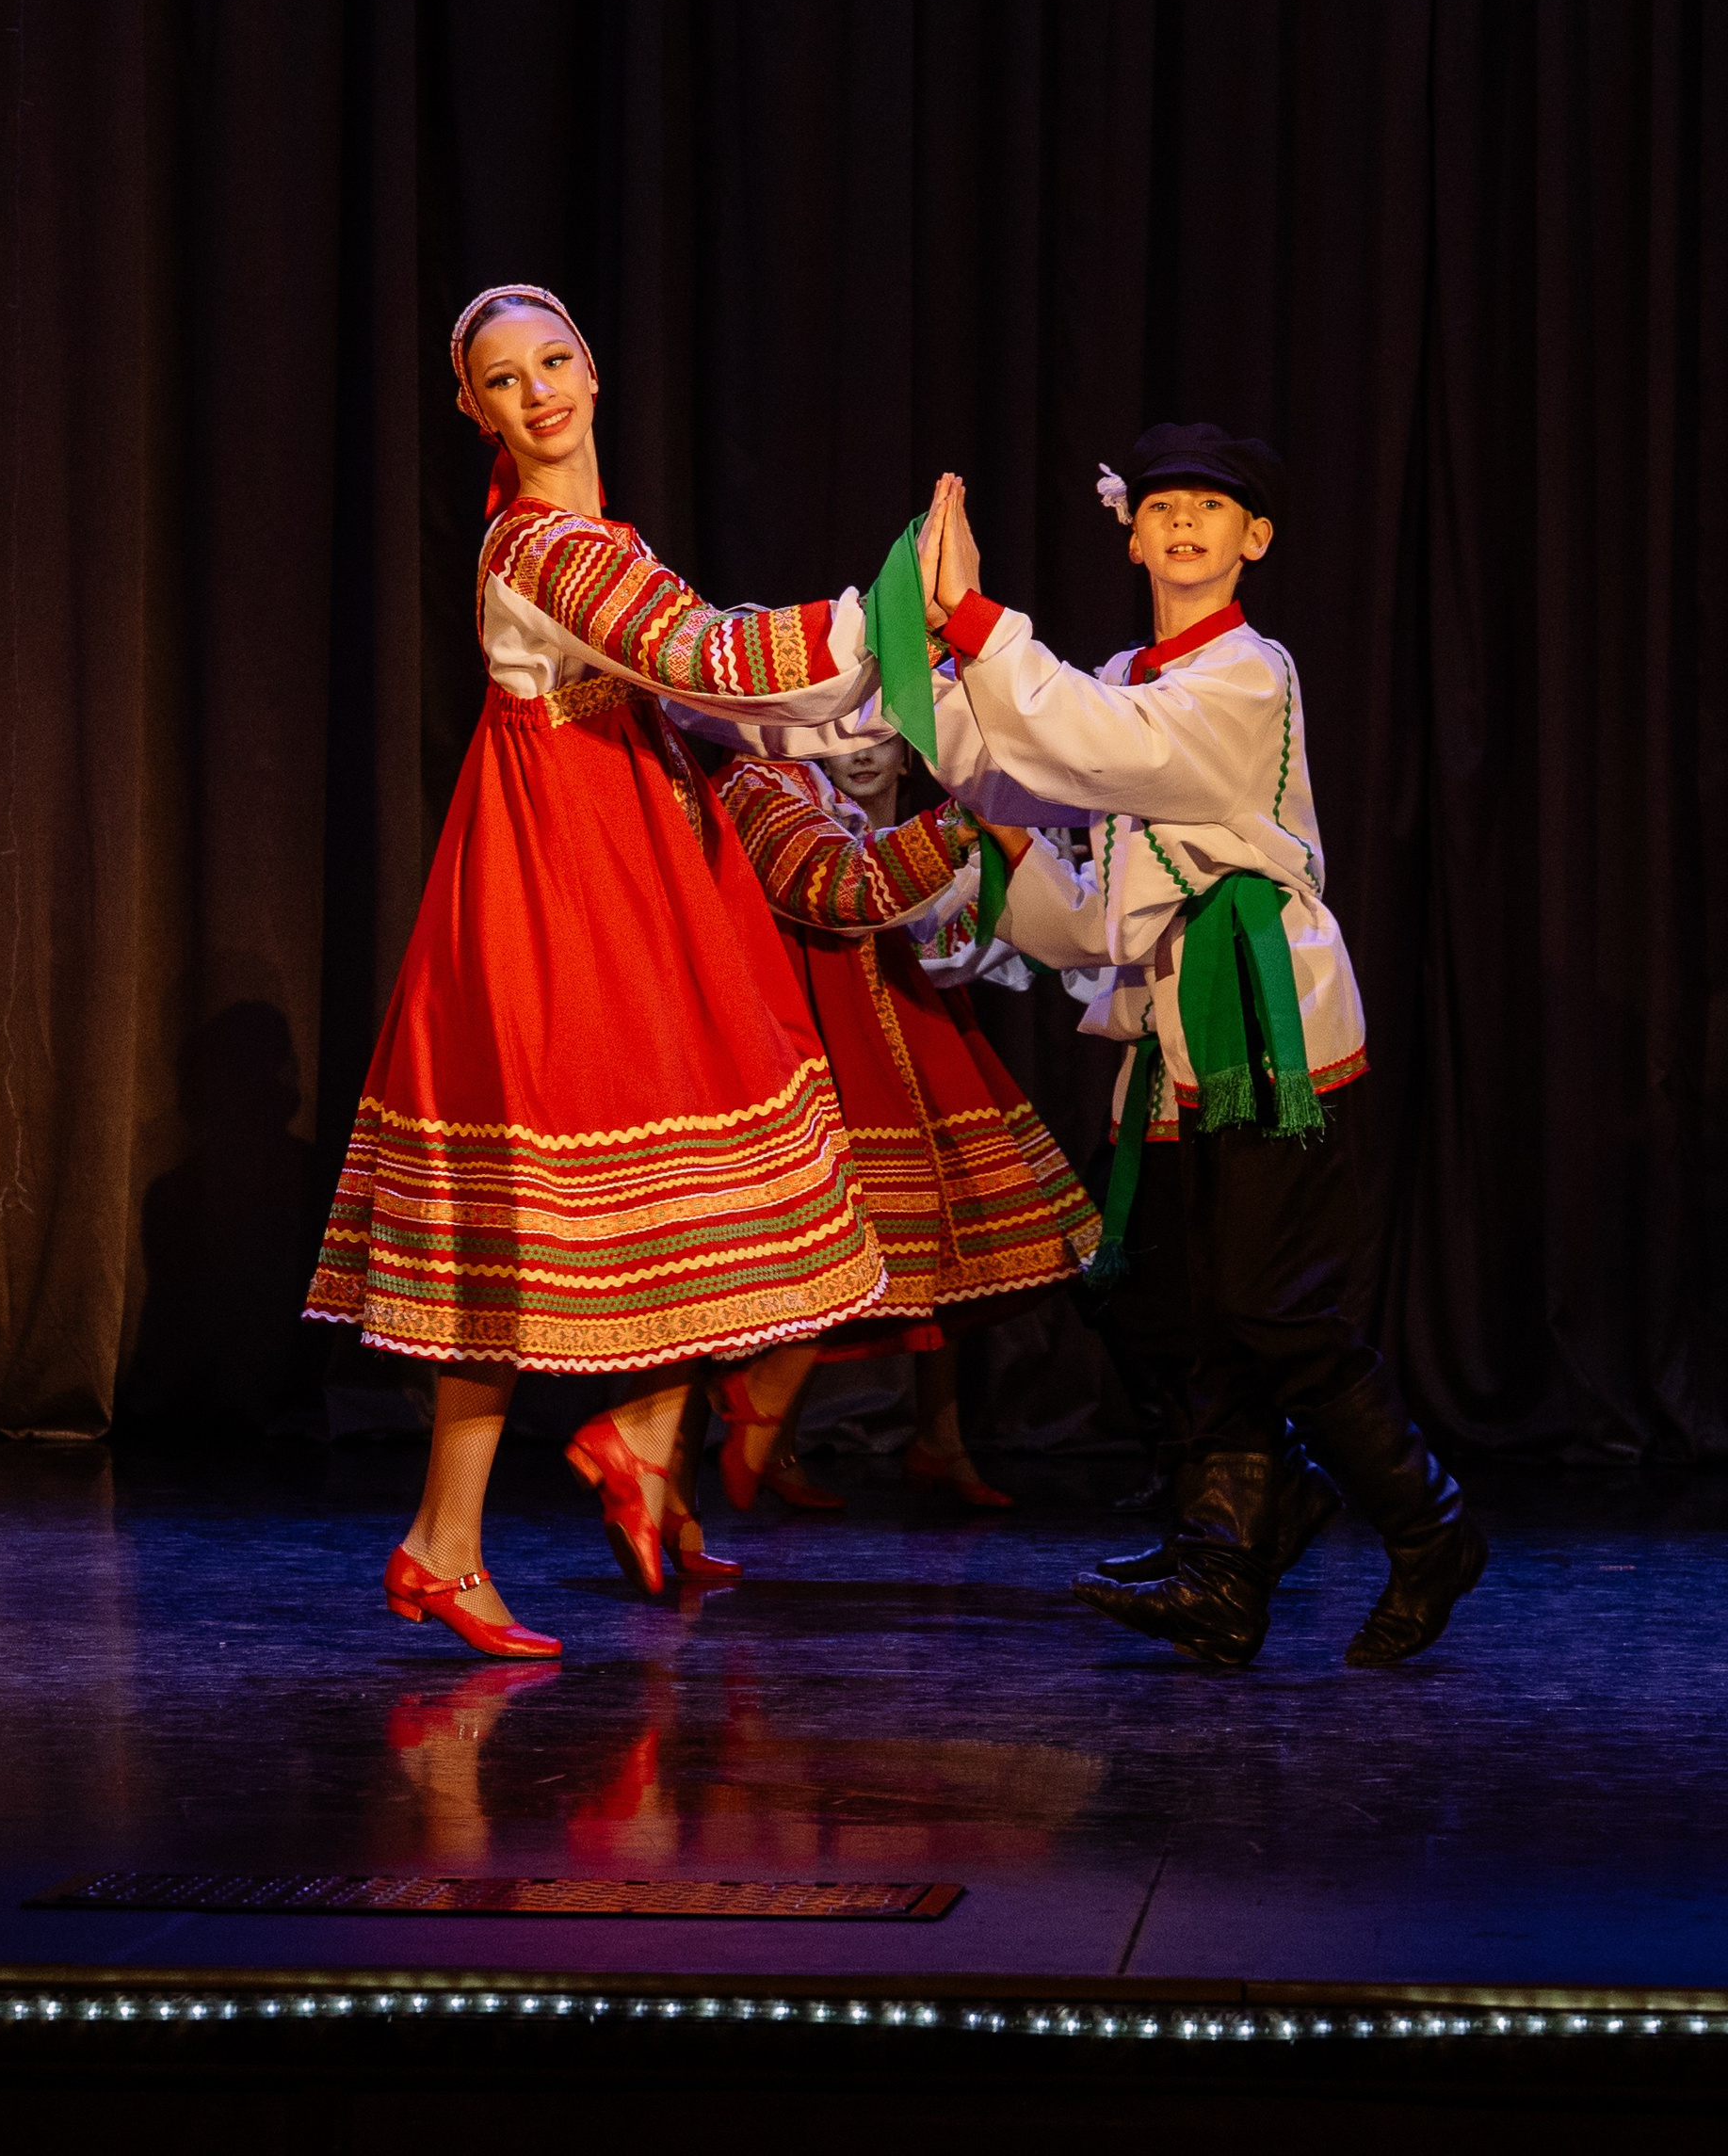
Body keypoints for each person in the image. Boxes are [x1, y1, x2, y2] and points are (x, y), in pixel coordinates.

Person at [306, 284, 901, 1655]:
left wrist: (865, 693)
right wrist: (887, 616)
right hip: (559, 892)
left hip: (624, 872)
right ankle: (479, 1521)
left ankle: (595, 1467)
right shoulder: (545, 550)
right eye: (505, 379)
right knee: (537, 1212)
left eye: (555, 361)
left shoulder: (601, 544)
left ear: (592, 369)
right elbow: (702, 653)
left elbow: (710, 683)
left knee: (668, 1185)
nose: (541, 392)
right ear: (474, 410)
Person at [914, 427, 1486, 1669]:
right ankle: (1226, 1553)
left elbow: (1097, 741)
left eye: (1211, 507)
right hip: (1175, 1032)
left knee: (1271, 1305)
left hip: (1266, 1026)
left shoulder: (1244, 676)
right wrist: (941, 677)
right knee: (1160, 1299)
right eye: (1161, 504)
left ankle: (1427, 1523)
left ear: (1254, 539)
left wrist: (977, 624)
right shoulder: (1127, 679)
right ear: (1129, 535)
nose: (1182, 522)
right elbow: (1077, 874)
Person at [708, 737, 1098, 1510]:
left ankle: (935, 1437)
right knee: (845, 1228)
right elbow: (840, 892)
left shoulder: (845, 814)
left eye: (878, 739)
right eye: (842, 739)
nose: (859, 754)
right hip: (833, 1031)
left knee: (941, 1240)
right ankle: (764, 1425)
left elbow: (951, 943)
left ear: (907, 755)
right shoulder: (775, 793)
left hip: (909, 1021)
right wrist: (967, 835)